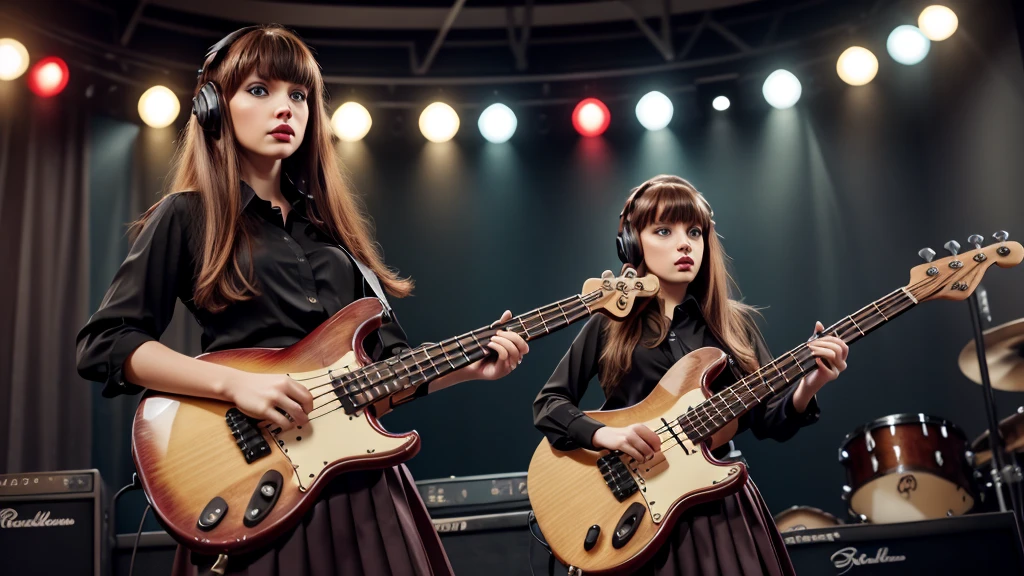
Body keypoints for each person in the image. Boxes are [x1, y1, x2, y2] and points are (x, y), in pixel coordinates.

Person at [77, 24, 528, 576]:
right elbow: (105, 344)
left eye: (298, 95)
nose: (285, 108)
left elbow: (385, 378)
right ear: (215, 107)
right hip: (255, 489)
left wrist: (468, 370)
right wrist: (235, 383)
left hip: (363, 494)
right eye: (260, 90)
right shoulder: (186, 216)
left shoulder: (337, 239)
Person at [532, 175, 849, 575]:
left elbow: (768, 418)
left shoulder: (734, 326)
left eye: (694, 232)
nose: (685, 243)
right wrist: (607, 434)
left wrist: (811, 382)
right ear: (633, 243)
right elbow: (548, 405)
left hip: (720, 511)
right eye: (664, 230)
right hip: (635, 516)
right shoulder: (609, 323)